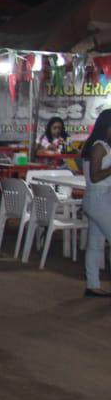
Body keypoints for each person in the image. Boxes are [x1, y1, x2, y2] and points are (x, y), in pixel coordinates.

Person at [80, 110, 111, 297]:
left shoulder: (100, 145)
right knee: (96, 244)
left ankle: (92, 285)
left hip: (98, 198)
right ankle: (92, 284)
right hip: (98, 198)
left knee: (95, 244)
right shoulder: (99, 146)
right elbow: (95, 175)